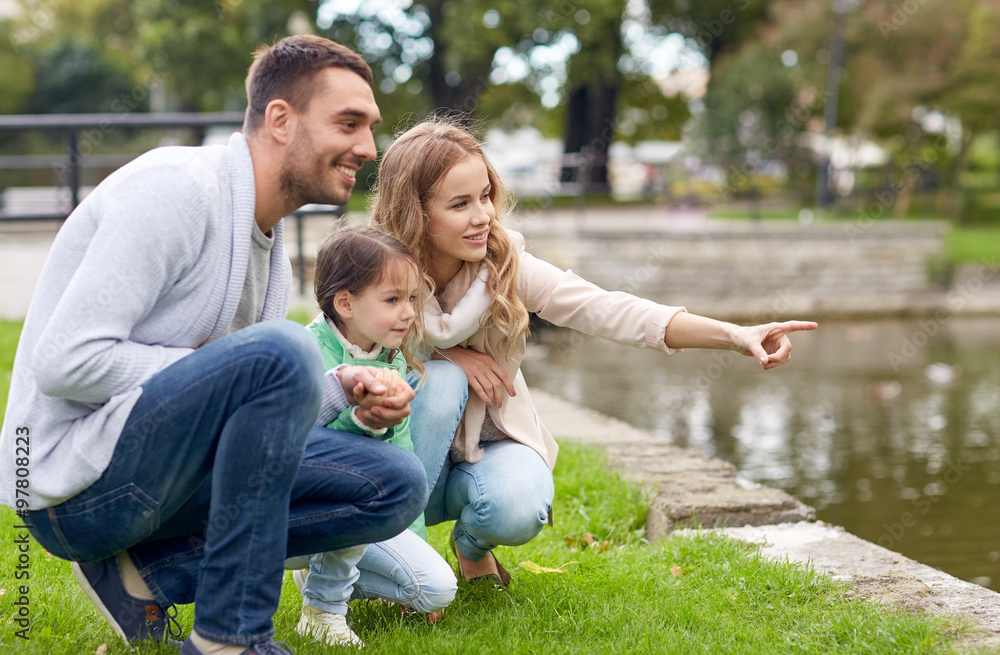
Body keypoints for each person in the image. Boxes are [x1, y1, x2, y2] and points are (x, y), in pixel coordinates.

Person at [0, 37, 466, 655]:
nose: (367, 148)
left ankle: (143, 580)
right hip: (70, 490)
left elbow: (247, 420)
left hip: (160, 477)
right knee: (282, 352)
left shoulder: (264, 234)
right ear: (279, 119)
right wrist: (239, 372)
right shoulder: (176, 191)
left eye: (370, 128)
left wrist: (336, 392)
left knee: (395, 481)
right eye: (348, 124)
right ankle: (230, 640)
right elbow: (64, 362)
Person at [371, 117, 818, 587]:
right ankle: (402, 556)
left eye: (485, 196)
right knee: (440, 383)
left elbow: (603, 308)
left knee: (518, 508)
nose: (483, 215)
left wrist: (735, 335)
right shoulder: (377, 273)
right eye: (460, 204)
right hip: (406, 453)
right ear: (416, 213)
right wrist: (449, 359)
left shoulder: (502, 265)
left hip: (486, 446)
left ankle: (471, 546)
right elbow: (347, 353)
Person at [293, 226, 456, 647]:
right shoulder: (306, 354)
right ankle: (322, 607)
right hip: (301, 510)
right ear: (345, 303)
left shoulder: (389, 360)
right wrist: (365, 421)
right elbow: (310, 450)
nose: (408, 313)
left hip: (365, 500)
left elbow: (403, 458)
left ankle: (332, 572)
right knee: (356, 481)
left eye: (412, 299)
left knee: (436, 588)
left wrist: (413, 540)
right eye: (393, 300)